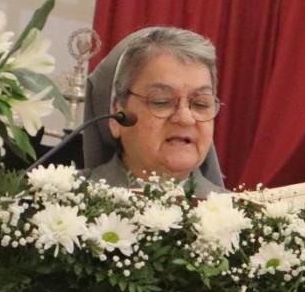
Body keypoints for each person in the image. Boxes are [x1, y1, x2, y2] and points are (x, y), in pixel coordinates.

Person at [83, 26, 227, 197]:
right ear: (117, 116)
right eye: (162, 101)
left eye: (200, 104)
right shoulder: (61, 200)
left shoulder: (242, 218)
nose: (185, 118)